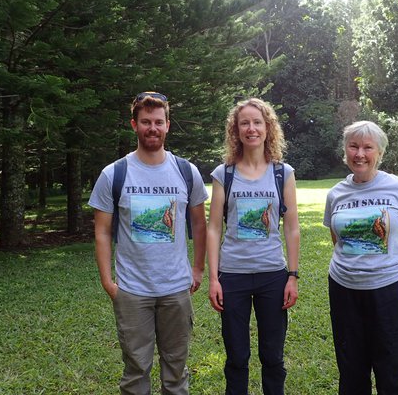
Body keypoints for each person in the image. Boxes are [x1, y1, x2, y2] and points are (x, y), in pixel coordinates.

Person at [88, 91, 208, 395]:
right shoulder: (114, 174)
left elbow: (199, 223)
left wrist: (197, 269)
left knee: (176, 370)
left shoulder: (186, 172)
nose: (152, 128)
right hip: (132, 290)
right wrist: (107, 282)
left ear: (167, 125)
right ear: (134, 125)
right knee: (135, 370)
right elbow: (102, 231)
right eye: (145, 122)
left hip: (176, 288)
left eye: (158, 121)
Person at [324, 120, 398, 395]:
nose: (360, 154)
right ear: (345, 151)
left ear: (379, 153)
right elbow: (338, 240)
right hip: (343, 289)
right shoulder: (336, 194)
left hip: (388, 291)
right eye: (354, 146)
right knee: (351, 368)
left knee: (391, 368)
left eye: (368, 147)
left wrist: (392, 272)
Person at [207, 98, 300, 395]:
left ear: (268, 128)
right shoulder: (224, 174)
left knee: (272, 357)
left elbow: (292, 226)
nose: (251, 128)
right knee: (237, 357)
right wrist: (213, 278)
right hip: (232, 275)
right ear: (236, 130)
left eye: (257, 122)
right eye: (244, 123)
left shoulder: (282, 173)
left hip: (273, 274)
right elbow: (213, 228)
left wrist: (292, 276)